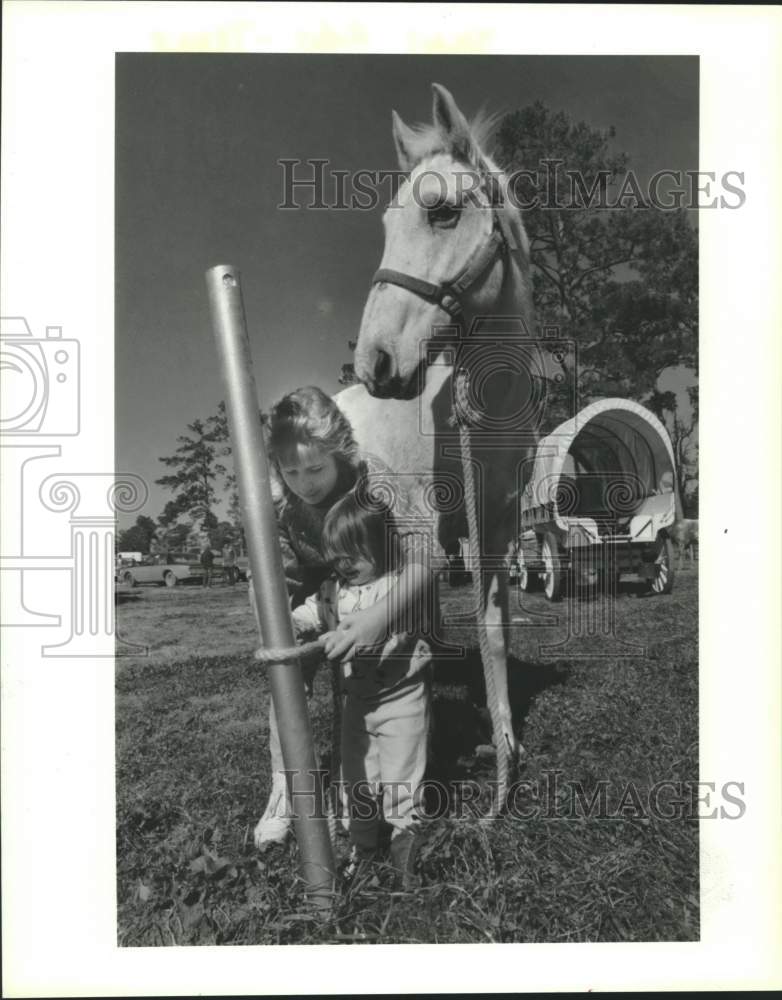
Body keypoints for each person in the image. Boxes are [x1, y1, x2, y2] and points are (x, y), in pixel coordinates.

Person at [249, 385, 433, 848]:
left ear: (341, 453)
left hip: (384, 588)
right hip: (320, 589)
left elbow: (427, 561)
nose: (304, 482)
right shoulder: (280, 505)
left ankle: (402, 790)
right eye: (290, 471)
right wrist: (283, 632)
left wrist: (375, 616)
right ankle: (288, 789)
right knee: (287, 676)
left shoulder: (376, 479)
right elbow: (275, 583)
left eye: (315, 468)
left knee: (393, 686)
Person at [260, 490, 431, 887]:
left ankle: (407, 853)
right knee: (356, 779)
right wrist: (291, 622)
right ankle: (364, 848)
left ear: (384, 546)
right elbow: (308, 615)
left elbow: (422, 585)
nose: (345, 564)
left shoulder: (401, 585)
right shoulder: (333, 592)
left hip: (403, 703)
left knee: (403, 780)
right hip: (357, 704)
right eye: (337, 556)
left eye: (355, 553)